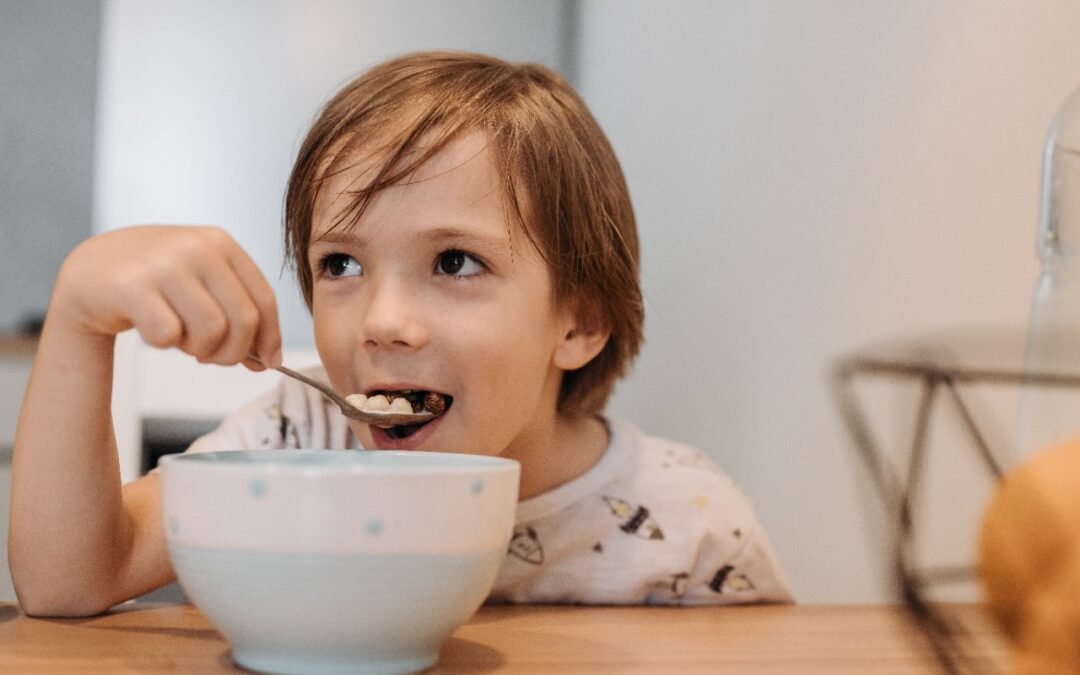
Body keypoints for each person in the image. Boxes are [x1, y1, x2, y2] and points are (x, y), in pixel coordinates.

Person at [9, 51, 793, 615]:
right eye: (341, 263)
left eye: (455, 261)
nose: (381, 321)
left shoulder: (688, 524)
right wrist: (79, 318)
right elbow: (70, 579)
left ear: (580, 320)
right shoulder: (298, 439)